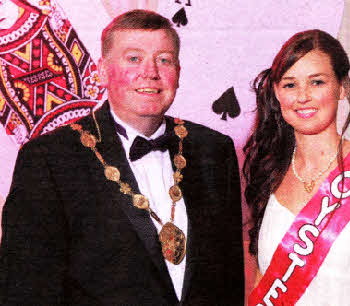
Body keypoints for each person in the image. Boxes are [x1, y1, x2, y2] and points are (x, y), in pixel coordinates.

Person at [0, 10, 244, 305]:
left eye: (164, 59)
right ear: (102, 71)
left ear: (178, 72)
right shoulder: (49, 159)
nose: (150, 72)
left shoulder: (214, 150)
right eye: (133, 58)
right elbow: (25, 293)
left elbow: (229, 283)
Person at [244, 29, 350, 306]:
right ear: (276, 93)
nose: (303, 97)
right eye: (290, 85)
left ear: (341, 86)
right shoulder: (270, 174)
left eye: (317, 82)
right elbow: (263, 282)